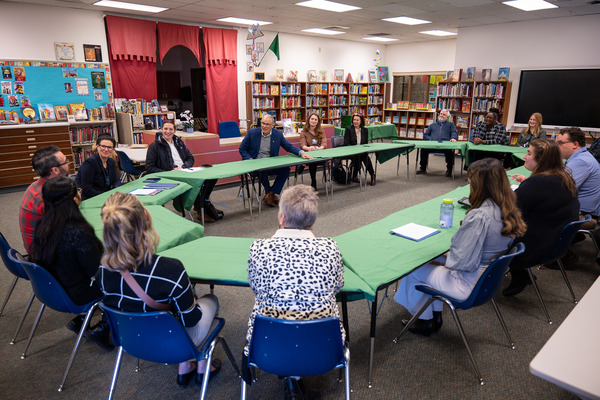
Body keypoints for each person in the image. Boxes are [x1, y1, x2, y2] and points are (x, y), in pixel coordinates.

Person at [96, 192, 221, 388]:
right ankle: (201, 364)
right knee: (211, 300)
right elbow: (191, 319)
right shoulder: (170, 268)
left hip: (131, 340)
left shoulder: (102, 270)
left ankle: (185, 367)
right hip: (173, 341)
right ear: (145, 218)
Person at [394, 158, 526, 336]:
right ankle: (434, 315)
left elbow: (459, 261)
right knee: (434, 260)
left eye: (470, 181)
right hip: (484, 278)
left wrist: (445, 255)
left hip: (465, 283)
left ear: (479, 186)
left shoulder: (479, 216)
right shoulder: (507, 208)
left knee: (413, 267)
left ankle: (426, 320)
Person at [243, 184, 344, 398]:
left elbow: (256, 287)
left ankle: (290, 374)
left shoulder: (258, 248)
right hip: (323, 346)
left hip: (268, 344)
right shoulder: (331, 248)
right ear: (312, 221)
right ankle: (297, 375)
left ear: (281, 217)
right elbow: (337, 287)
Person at [28, 176, 113, 349]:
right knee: (122, 279)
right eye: (79, 191)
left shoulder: (43, 223)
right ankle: (103, 328)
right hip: (75, 293)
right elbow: (96, 271)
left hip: (53, 289)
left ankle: (83, 319)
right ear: (75, 199)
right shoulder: (78, 231)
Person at [503, 140, 579, 296]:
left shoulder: (537, 183)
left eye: (529, 153)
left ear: (542, 159)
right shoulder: (564, 177)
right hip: (556, 243)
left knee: (492, 229)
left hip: (532, 247)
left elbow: (508, 211)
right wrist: (527, 185)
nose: (524, 156)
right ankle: (520, 274)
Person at [145, 121, 220, 222]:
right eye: (165, 129)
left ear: (174, 131)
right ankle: (200, 208)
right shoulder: (154, 146)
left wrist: (185, 166)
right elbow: (149, 167)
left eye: (171, 129)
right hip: (170, 174)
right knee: (195, 183)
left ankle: (200, 204)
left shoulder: (179, 142)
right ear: (162, 130)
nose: (168, 131)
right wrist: (170, 170)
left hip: (185, 170)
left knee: (211, 177)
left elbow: (190, 158)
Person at [239, 114, 313, 207]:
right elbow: (242, 149)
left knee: (285, 169)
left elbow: (288, 146)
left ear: (272, 126)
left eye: (267, 124)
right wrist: (250, 160)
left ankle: (271, 193)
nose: (264, 126)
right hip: (255, 164)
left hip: (271, 163)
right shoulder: (252, 133)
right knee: (262, 170)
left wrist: (302, 153)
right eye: (263, 123)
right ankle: (269, 193)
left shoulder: (277, 134)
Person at [19, 145, 71, 252]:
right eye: (66, 162)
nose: (68, 164)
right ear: (55, 170)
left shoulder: (35, 185)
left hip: (39, 245)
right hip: (44, 254)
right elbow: (65, 230)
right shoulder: (48, 197)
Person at [557, 127, 600, 229]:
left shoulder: (581, 161)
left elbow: (560, 188)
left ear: (575, 145)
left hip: (582, 214)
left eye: (560, 143)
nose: (557, 147)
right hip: (579, 210)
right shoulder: (580, 157)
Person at [76, 135, 121, 201]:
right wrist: (107, 195)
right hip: (90, 198)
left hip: (105, 196)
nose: (106, 149)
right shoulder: (89, 164)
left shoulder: (111, 161)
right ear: (97, 147)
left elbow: (116, 180)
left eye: (109, 147)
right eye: (103, 146)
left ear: (113, 149)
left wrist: (117, 189)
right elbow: (87, 189)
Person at [417, 109, 458, 177]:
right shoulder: (432, 125)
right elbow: (425, 135)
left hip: (445, 146)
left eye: (444, 115)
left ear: (447, 117)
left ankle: (449, 169)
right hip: (433, 145)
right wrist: (430, 139)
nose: (441, 115)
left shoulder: (451, 125)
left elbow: (454, 132)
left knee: (449, 152)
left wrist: (453, 138)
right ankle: (423, 168)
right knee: (423, 150)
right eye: (441, 114)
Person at [344, 114, 376, 186]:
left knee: (363, 156)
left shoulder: (365, 130)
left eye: (357, 120)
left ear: (361, 121)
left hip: (361, 151)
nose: (355, 121)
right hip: (351, 151)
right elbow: (346, 143)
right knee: (361, 156)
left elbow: (365, 142)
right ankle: (371, 174)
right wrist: (354, 149)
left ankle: (371, 175)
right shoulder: (348, 129)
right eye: (354, 120)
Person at [298, 112, 327, 190]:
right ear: (309, 120)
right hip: (309, 153)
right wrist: (309, 148)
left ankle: (303, 165)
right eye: (312, 119)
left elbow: (324, 143)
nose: (313, 121)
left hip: (319, 152)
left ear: (318, 122)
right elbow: (303, 145)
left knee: (313, 161)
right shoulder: (304, 132)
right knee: (312, 161)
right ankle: (313, 181)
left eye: (315, 119)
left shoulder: (321, 131)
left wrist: (319, 148)